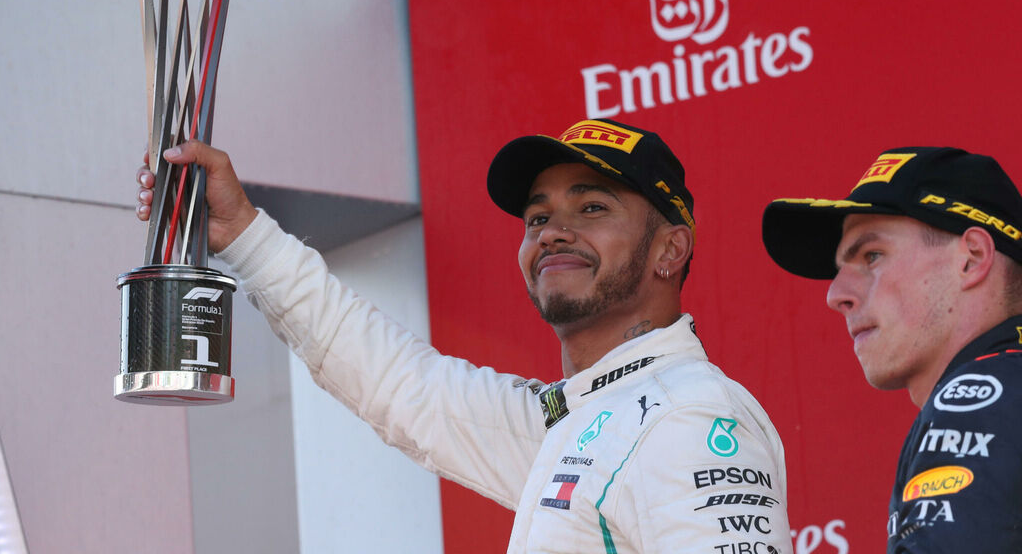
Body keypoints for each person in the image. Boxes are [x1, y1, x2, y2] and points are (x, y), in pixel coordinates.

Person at [138, 119, 791, 553]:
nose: (553, 232)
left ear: (671, 249)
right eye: (537, 217)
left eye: (592, 207)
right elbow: (400, 385)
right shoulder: (579, 418)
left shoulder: (685, 416)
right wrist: (243, 234)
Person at [762, 146, 1022, 552]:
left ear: (972, 259)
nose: (836, 295)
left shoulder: (978, 398)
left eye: (872, 256)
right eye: (841, 269)